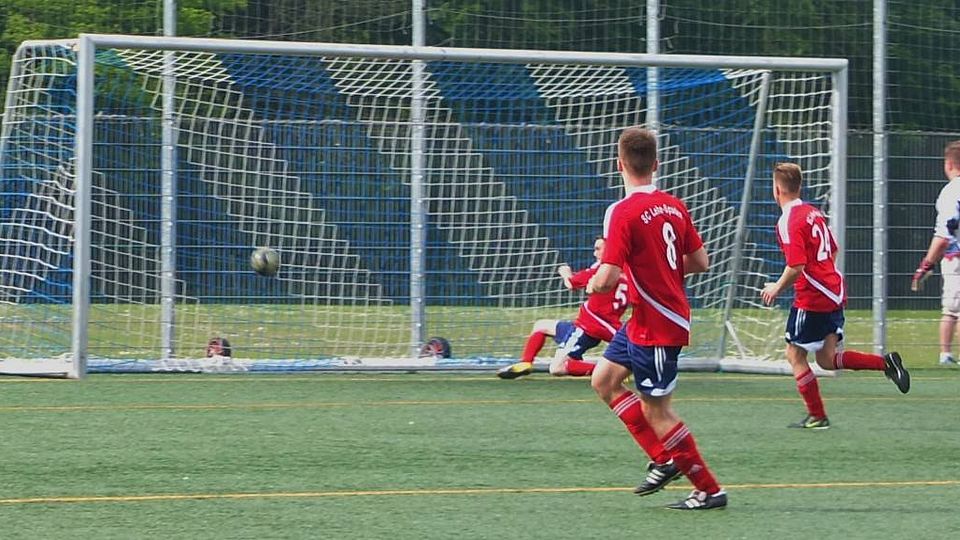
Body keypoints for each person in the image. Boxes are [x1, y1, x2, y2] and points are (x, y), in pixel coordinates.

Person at [587, 127, 726, 511]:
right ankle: (664, 459)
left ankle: (709, 490)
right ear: (656, 164)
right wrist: (661, 270)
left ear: (619, 165)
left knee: (657, 411)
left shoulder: (621, 211)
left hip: (659, 324)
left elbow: (607, 277)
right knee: (604, 380)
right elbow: (700, 262)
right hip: (643, 319)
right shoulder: (674, 205)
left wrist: (592, 286)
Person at [761, 162, 910, 430]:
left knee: (794, 355)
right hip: (834, 291)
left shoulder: (787, 220)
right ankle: (886, 363)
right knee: (827, 359)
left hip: (813, 297)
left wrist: (776, 288)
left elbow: (796, 266)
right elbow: (833, 249)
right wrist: (824, 275)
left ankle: (817, 416)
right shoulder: (813, 213)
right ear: (799, 187)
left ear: (777, 190)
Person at [497, 237, 629, 379]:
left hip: (589, 326)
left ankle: (609, 370)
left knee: (557, 368)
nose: (594, 253)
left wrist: (565, 272)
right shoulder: (626, 272)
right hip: (602, 324)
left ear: (609, 251)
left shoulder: (603, 270)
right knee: (541, 326)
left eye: (598, 249)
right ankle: (526, 363)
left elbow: (571, 283)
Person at [911, 140, 960, 366]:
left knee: (952, 310)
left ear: (949, 164)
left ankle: (945, 354)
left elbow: (944, 235)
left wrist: (926, 265)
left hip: (956, 258)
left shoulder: (951, 192)